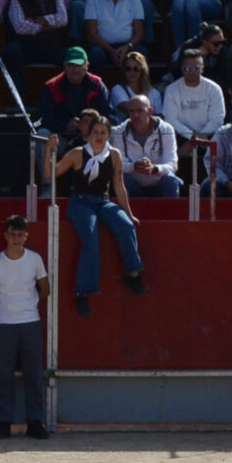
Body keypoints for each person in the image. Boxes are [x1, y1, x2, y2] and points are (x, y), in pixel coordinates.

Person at [49, 107, 142, 316]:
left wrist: (129, 213)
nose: (99, 137)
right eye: (96, 133)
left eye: (103, 133)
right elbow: (51, 173)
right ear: (89, 134)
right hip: (80, 202)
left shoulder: (114, 155)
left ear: (108, 135)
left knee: (127, 226)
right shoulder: (77, 153)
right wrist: (49, 150)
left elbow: (119, 186)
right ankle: (82, 293)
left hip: (103, 201)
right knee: (91, 241)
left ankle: (133, 274)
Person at [0, 213, 49, 439]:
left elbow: (45, 289)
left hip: (30, 322)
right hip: (6, 324)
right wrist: (6, 303)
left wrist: (27, 303)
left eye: (20, 235)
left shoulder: (35, 260)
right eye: (13, 235)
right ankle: (3, 422)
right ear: (5, 236)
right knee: (4, 375)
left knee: (33, 375)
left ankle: (35, 422)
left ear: (26, 236)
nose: (16, 239)